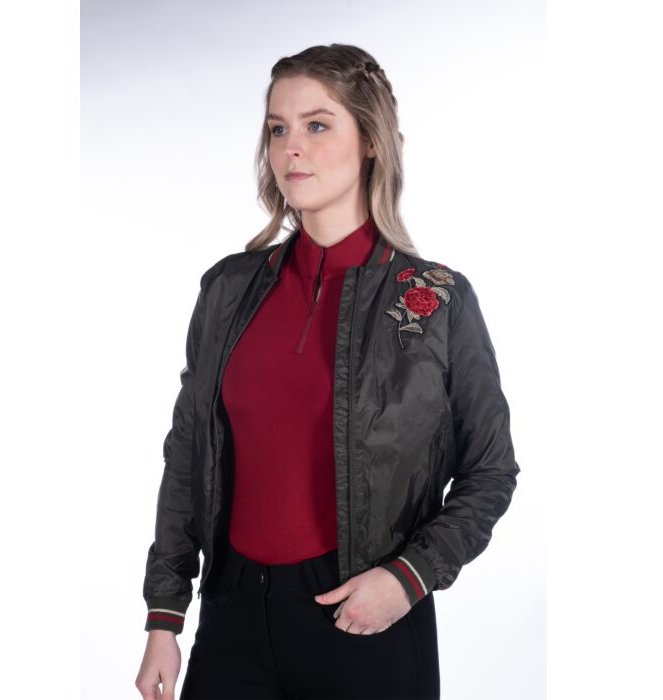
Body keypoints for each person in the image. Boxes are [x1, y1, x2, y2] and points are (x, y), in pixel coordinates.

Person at [135, 43, 520, 700]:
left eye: (317, 125)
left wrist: (408, 578)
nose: (291, 147)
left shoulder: (434, 301)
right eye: (277, 128)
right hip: (233, 618)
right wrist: (165, 614)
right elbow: (188, 453)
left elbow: (490, 470)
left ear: (370, 140)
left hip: (366, 618)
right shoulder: (228, 290)